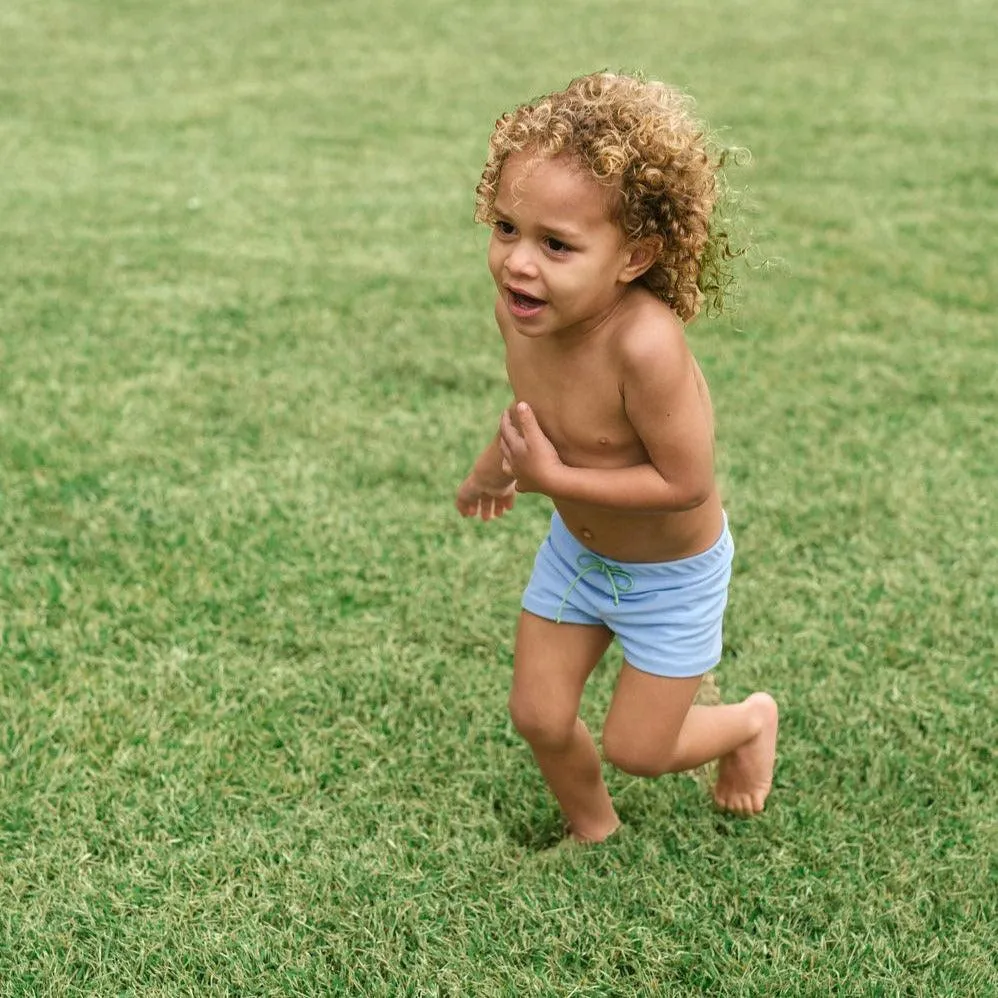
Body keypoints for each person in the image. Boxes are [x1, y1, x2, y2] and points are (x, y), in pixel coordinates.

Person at [455, 72, 778, 844]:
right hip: (579, 556)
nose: (517, 265)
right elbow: (537, 417)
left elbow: (684, 482)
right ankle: (594, 831)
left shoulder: (646, 345)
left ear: (634, 256)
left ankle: (748, 723)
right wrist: (493, 469)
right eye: (506, 229)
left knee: (641, 748)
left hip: (670, 576)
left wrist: (551, 480)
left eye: (556, 245)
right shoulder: (523, 316)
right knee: (536, 713)